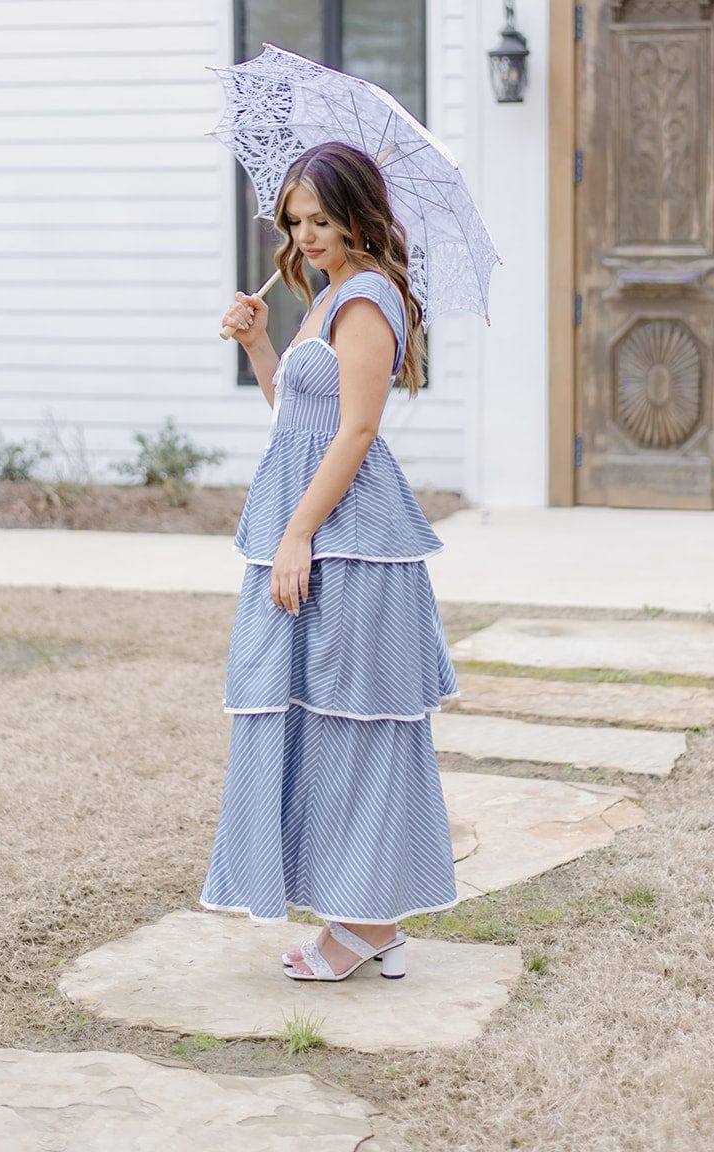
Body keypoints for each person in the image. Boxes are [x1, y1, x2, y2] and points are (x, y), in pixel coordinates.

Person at [200, 141, 459, 982]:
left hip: (347, 541)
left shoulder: (368, 300)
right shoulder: (326, 298)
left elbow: (356, 431)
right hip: (312, 526)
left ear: (357, 216)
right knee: (313, 716)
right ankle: (366, 919)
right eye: (294, 221)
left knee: (354, 723)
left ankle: (365, 921)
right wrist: (261, 349)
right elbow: (301, 419)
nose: (305, 235)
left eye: (321, 220)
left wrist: (298, 532)